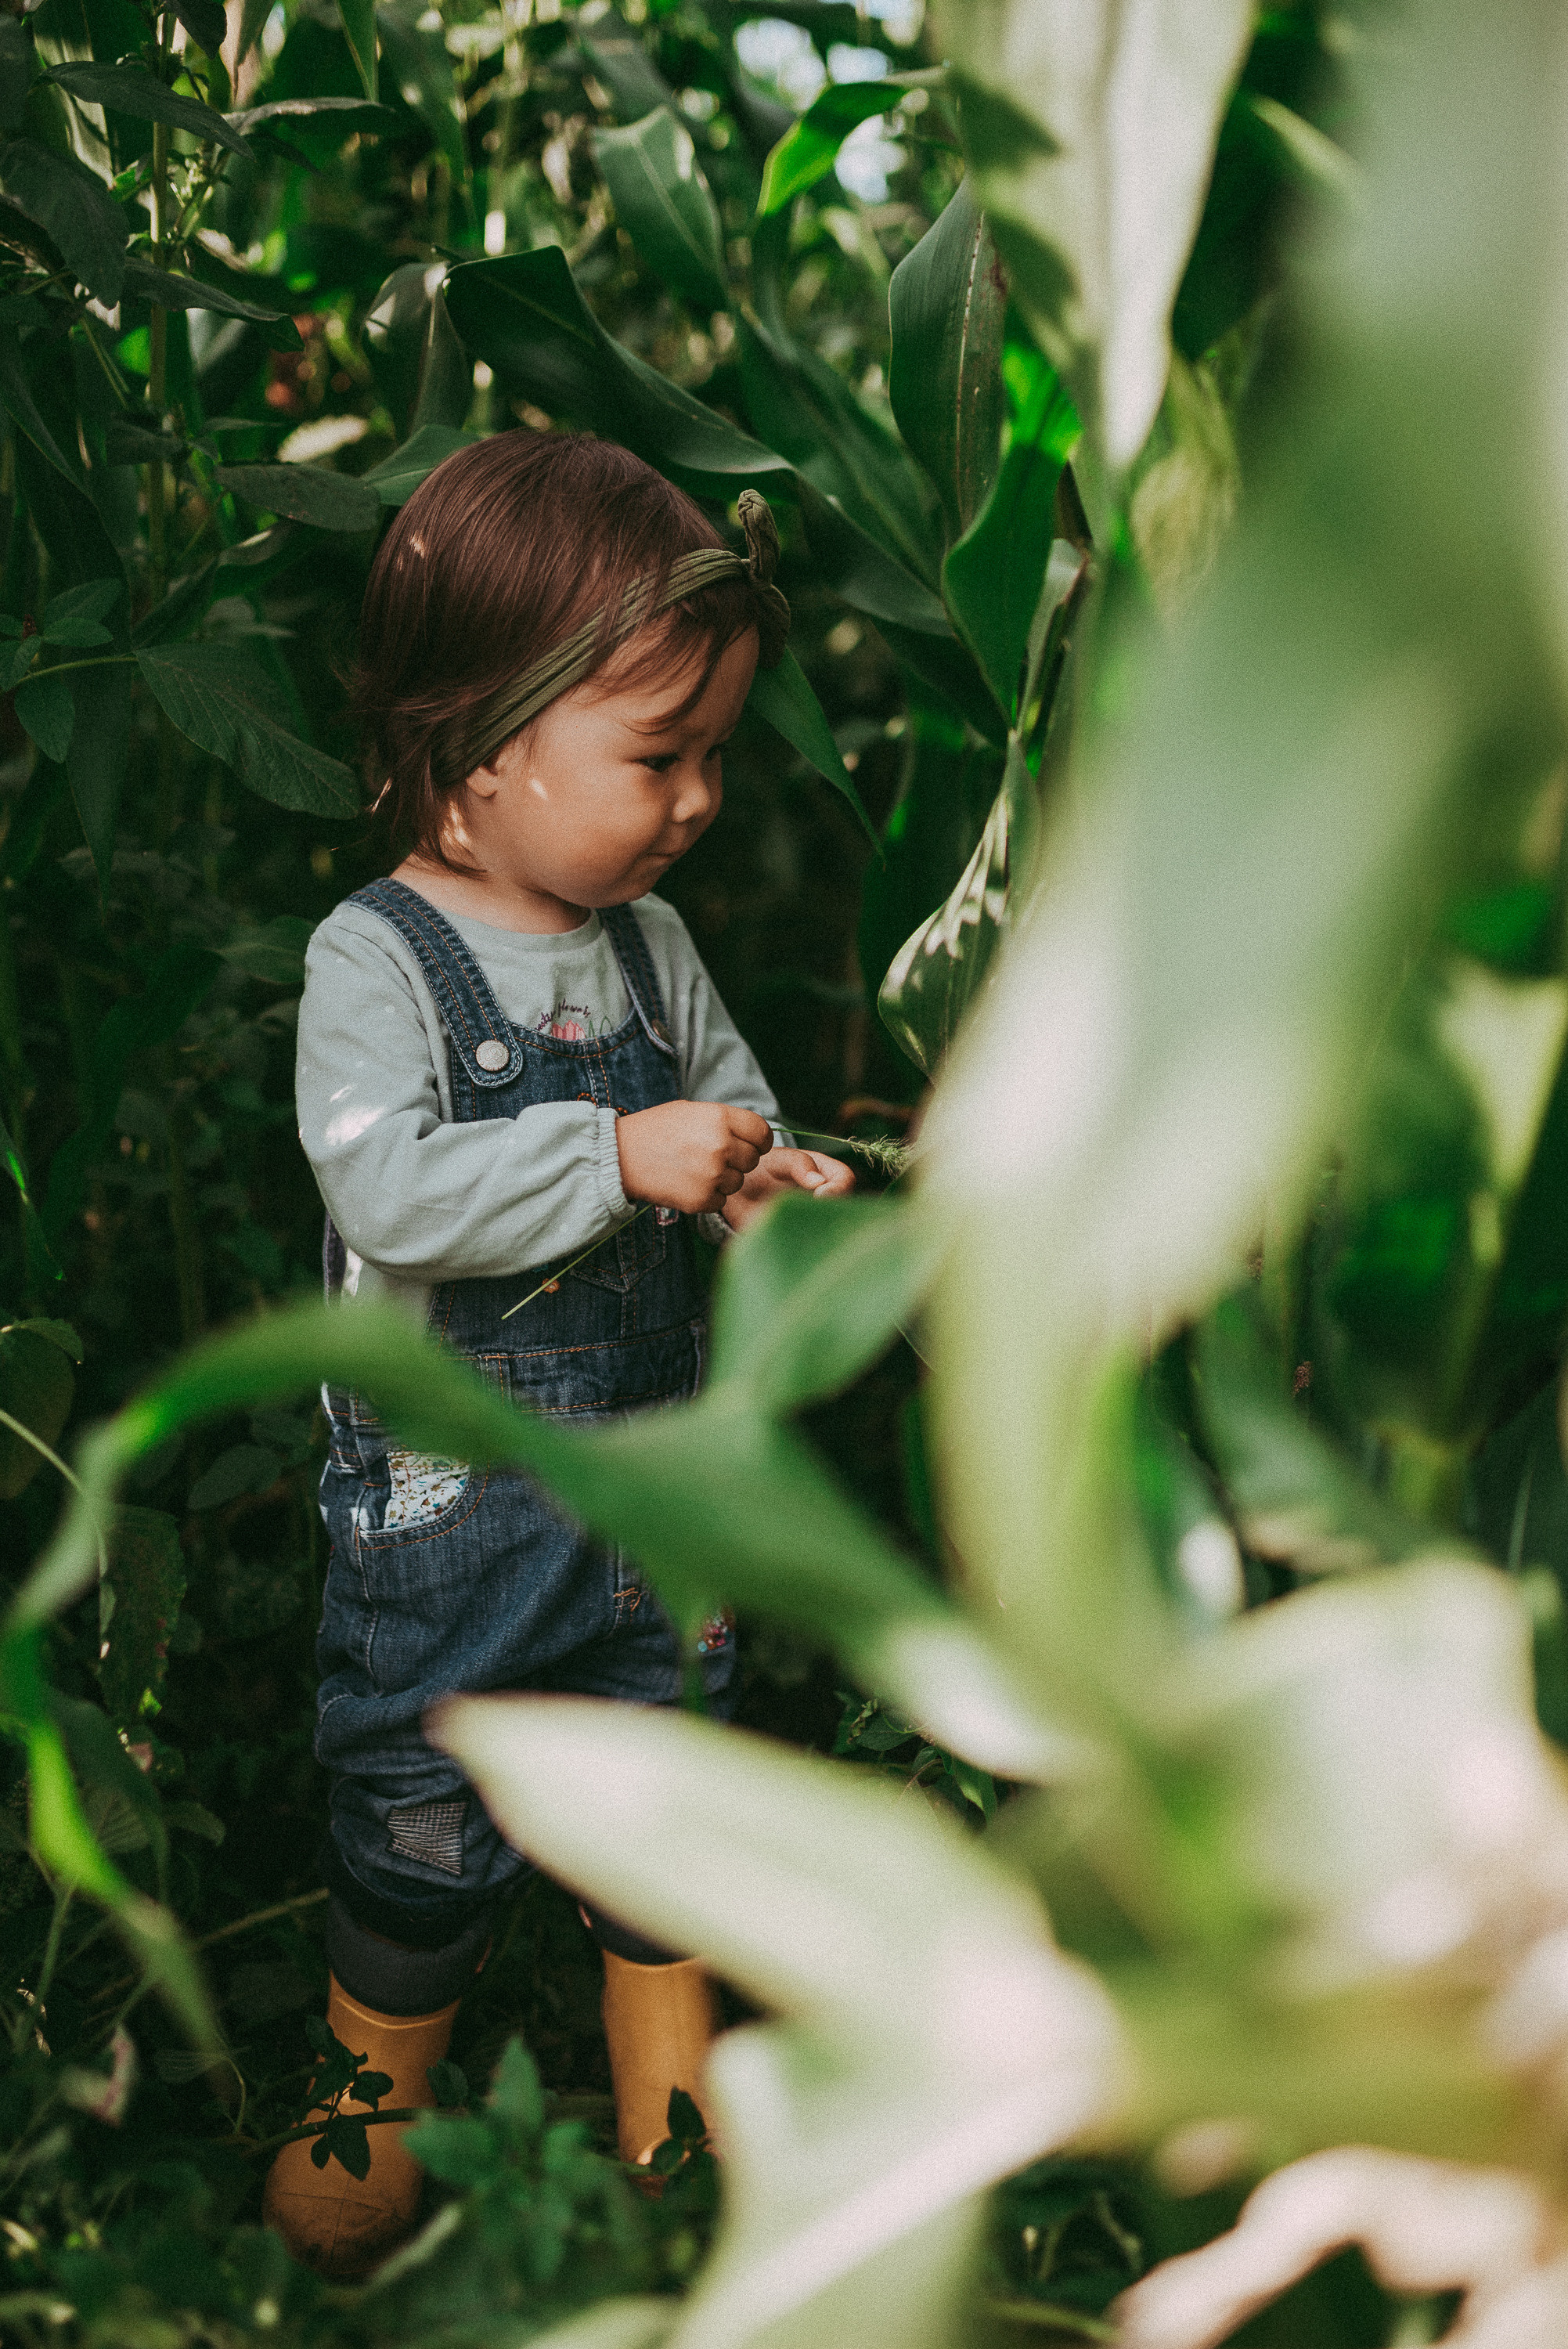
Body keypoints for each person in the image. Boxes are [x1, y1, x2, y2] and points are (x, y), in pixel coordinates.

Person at [272, 432, 853, 2275]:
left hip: (651, 1504)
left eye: (712, 759)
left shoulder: (651, 945)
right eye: (657, 757)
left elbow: (732, 1104)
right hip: (456, 1519)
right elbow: (395, 1192)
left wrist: (767, 1174)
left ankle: (674, 2171)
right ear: (475, 746)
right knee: (420, 1856)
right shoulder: (377, 960)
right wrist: (613, 1156)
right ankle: (351, 2171)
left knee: (658, 1828)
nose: (693, 801)